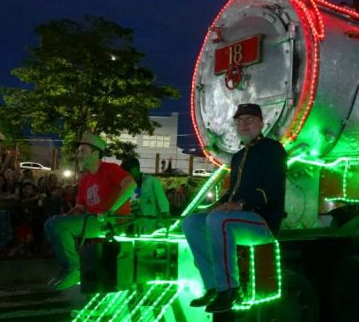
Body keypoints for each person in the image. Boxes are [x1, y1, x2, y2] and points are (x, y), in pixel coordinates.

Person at [182, 103, 287, 313]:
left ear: (261, 123)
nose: (243, 124)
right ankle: (212, 286)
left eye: (249, 120)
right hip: (238, 219)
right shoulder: (238, 156)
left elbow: (273, 187)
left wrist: (241, 204)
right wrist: (214, 206)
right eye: (239, 121)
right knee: (191, 222)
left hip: (263, 221)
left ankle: (230, 289)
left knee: (218, 220)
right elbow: (232, 193)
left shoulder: (273, 149)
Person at [44, 132, 135, 290]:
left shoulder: (110, 169)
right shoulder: (85, 178)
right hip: (93, 220)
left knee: (57, 225)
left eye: (82, 151)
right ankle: (70, 268)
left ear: (95, 153)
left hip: (110, 221)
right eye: (79, 151)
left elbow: (131, 184)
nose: (78, 155)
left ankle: (74, 268)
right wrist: (65, 217)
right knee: (50, 224)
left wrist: (111, 210)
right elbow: (80, 207)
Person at [120, 157, 169, 234]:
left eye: (130, 171)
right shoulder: (125, 183)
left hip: (148, 220)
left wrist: (164, 215)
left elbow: (162, 200)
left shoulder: (151, 181)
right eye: (126, 172)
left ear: (137, 168)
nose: (128, 174)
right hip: (130, 222)